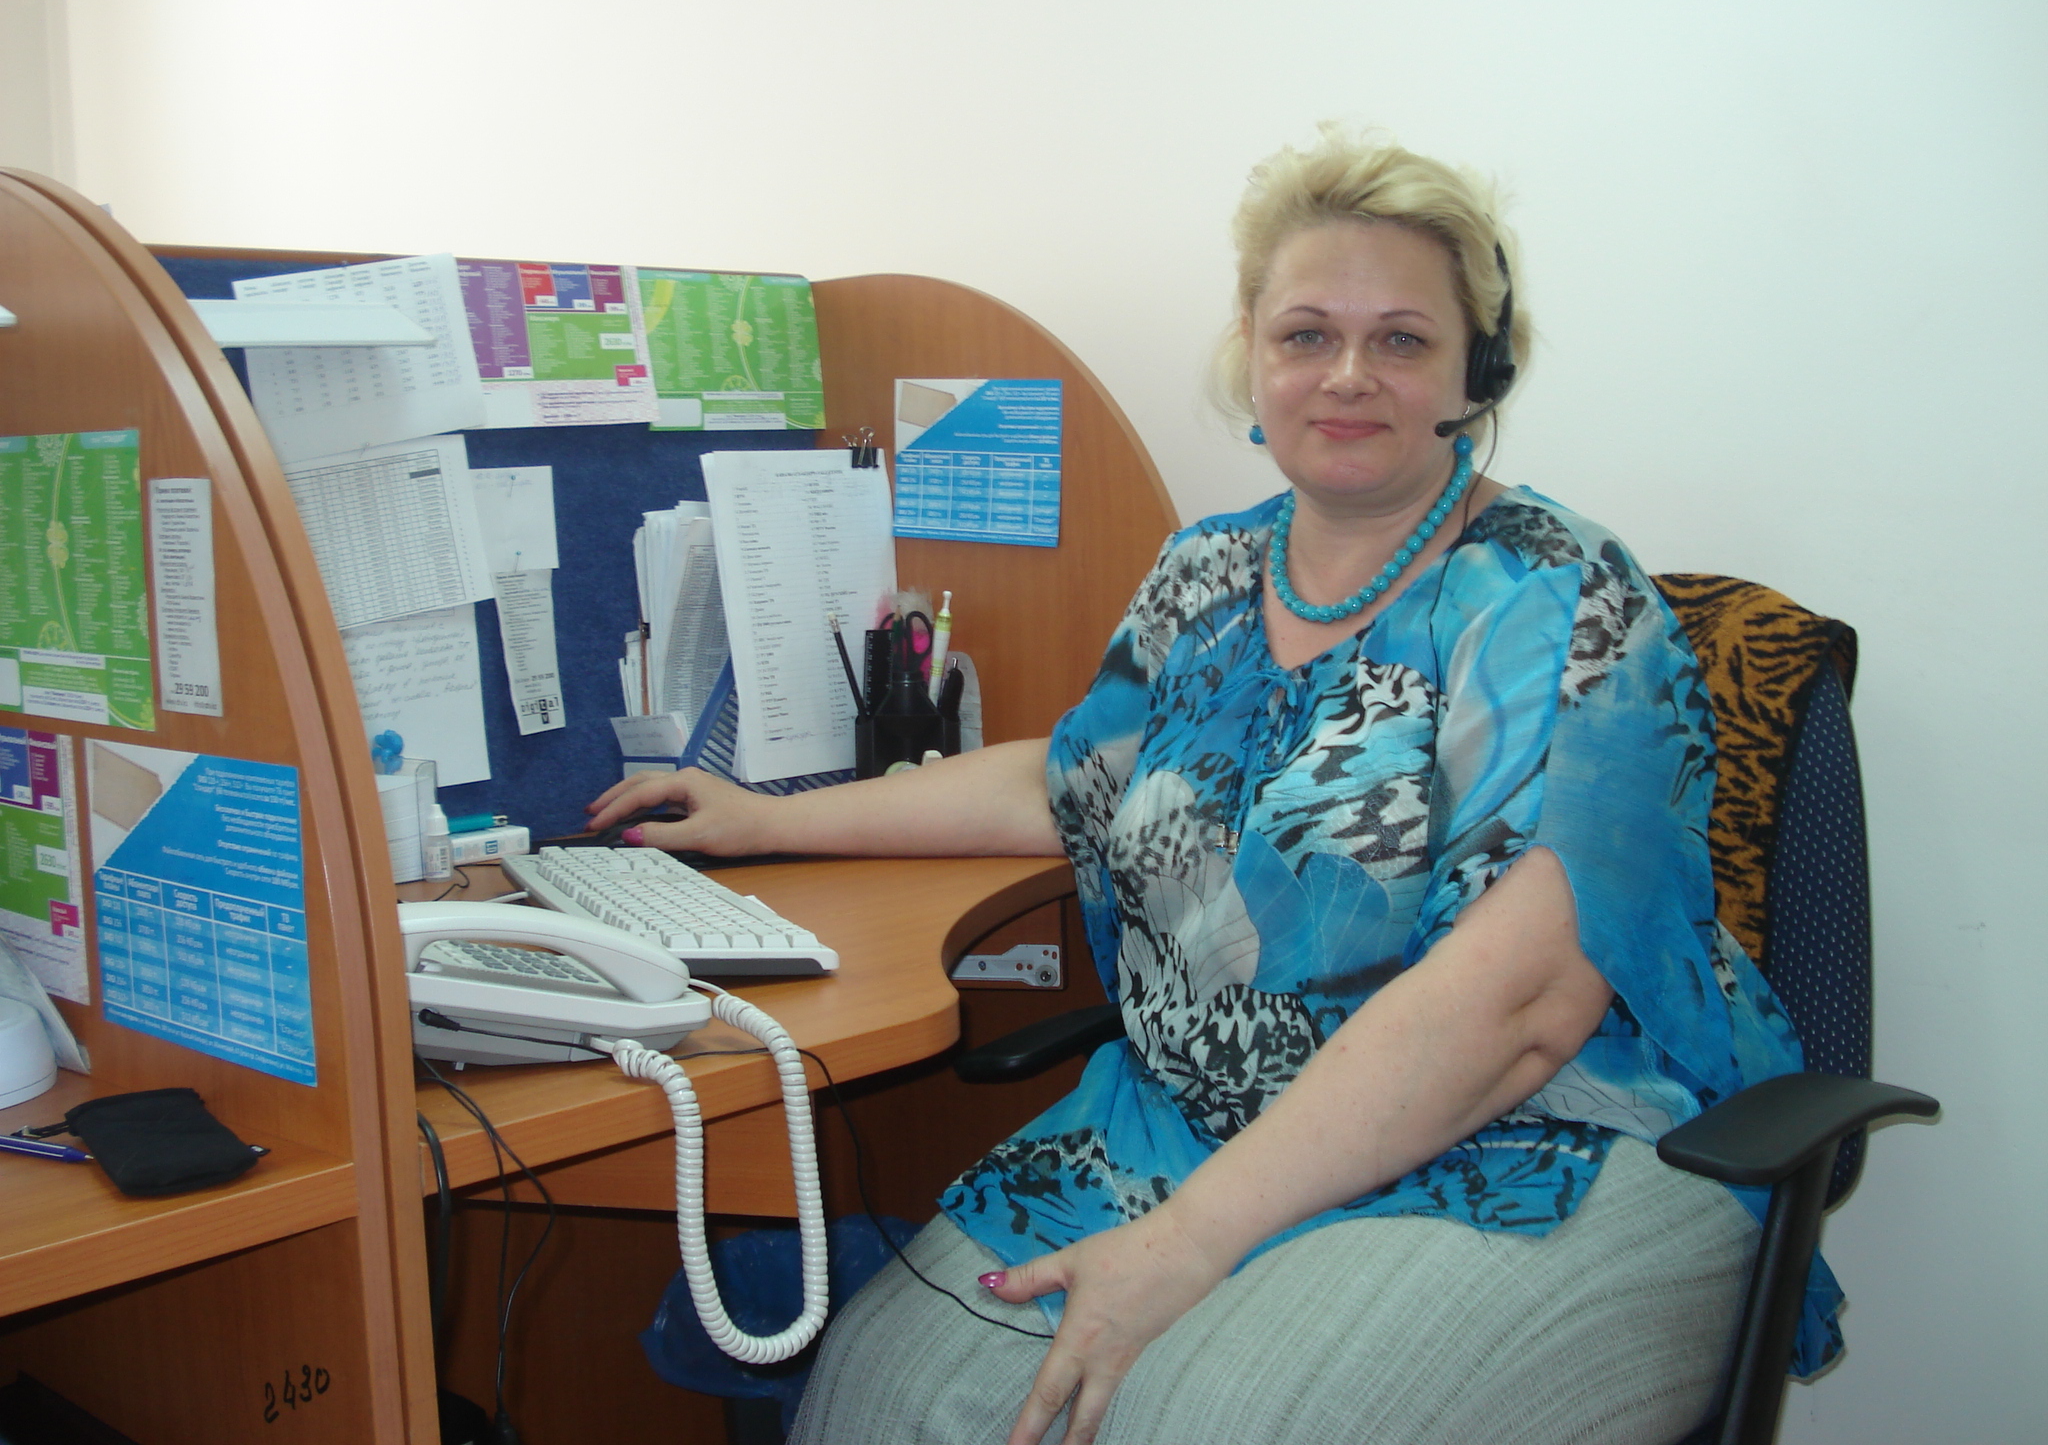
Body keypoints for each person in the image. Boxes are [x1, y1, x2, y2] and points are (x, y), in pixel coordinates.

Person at [588, 128, 1834, 1445]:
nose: (1346, 374)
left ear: (1478, 370)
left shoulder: (1559, 599)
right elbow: (1070, 783)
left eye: (1402, 339)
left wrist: (1189, 1243)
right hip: (1189, 1127)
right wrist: (768, 821)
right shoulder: (1208, 574)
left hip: (1530, 1137)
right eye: (1306, 334)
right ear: (1252, 350)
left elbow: (1519, 1005)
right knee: (879, 1397)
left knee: (1197, 1421)